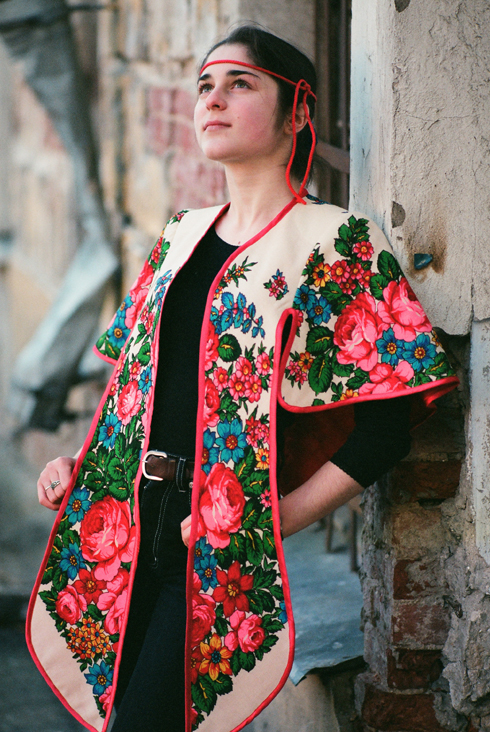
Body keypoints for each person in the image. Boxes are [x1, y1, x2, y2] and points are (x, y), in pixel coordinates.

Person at [27, 25, 458, 732]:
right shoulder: (179, 235)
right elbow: (139, 388)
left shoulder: (335, 241)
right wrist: (79, 463)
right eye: (204, 85)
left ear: (297, 113)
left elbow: (387, 430)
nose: (213, 99)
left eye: (240, 83)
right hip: (123, 528)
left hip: (213, 545)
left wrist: (274, 519)